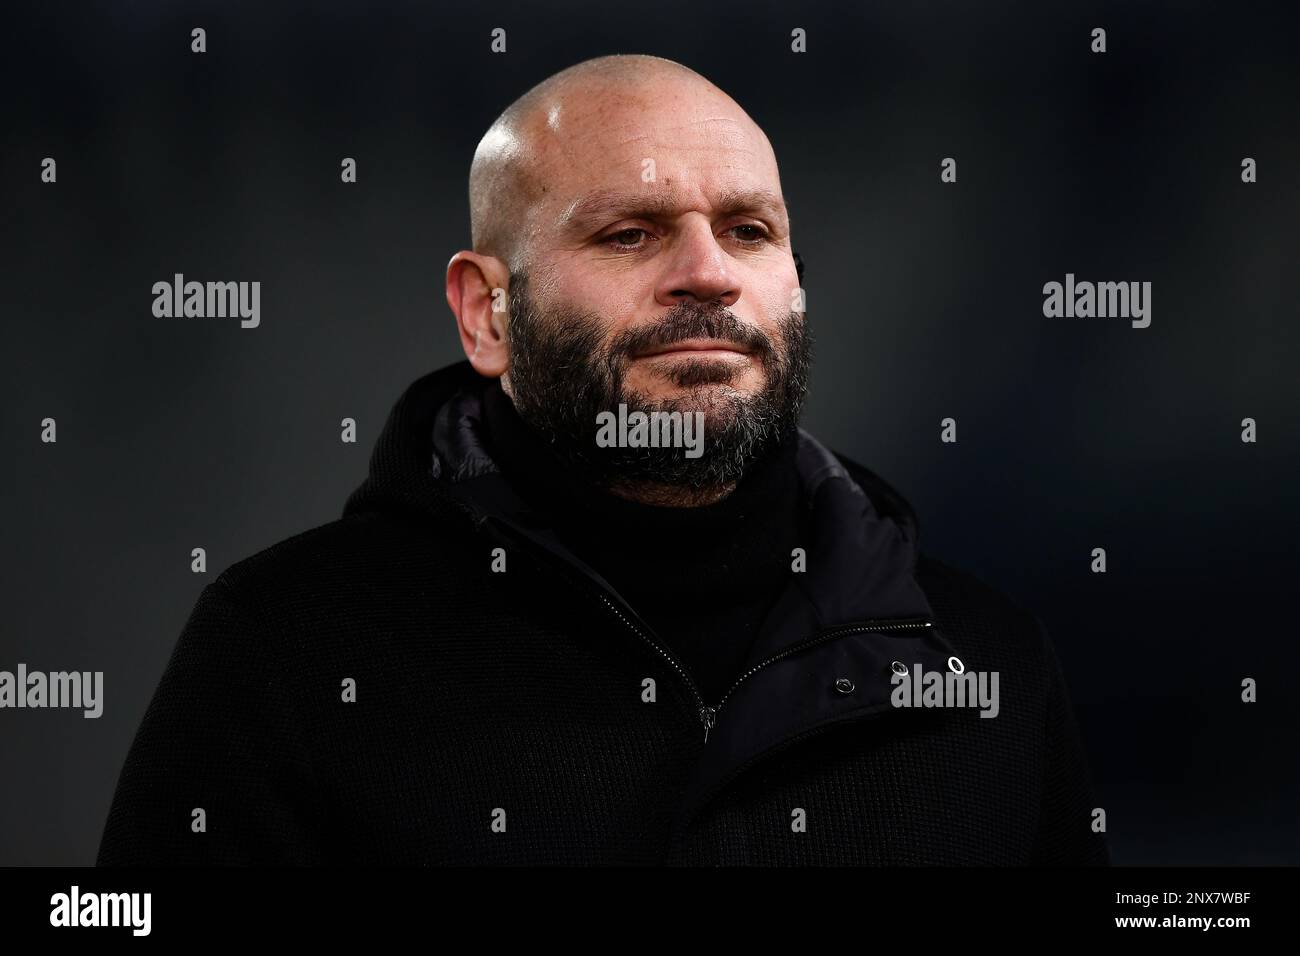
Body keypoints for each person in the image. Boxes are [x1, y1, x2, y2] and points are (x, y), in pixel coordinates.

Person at [97, 53, 1108, 865]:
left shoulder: (982, 658)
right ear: (486, 312)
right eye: (630, 233)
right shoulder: (285, 650)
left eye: (749, 230)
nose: (706, 273)